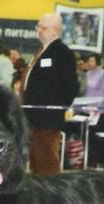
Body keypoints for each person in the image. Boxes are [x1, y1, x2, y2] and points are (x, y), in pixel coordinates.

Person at [23, 13, 79, 175]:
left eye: (43, 27)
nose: (39, 31)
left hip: (48, 119)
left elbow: (71, 86)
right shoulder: (41, 51)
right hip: (33, 118)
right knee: (36, 162)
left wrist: (57, 107)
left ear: (56, 30)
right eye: (38, 27)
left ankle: (53, 197)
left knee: (47, 162)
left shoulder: (62, 52)